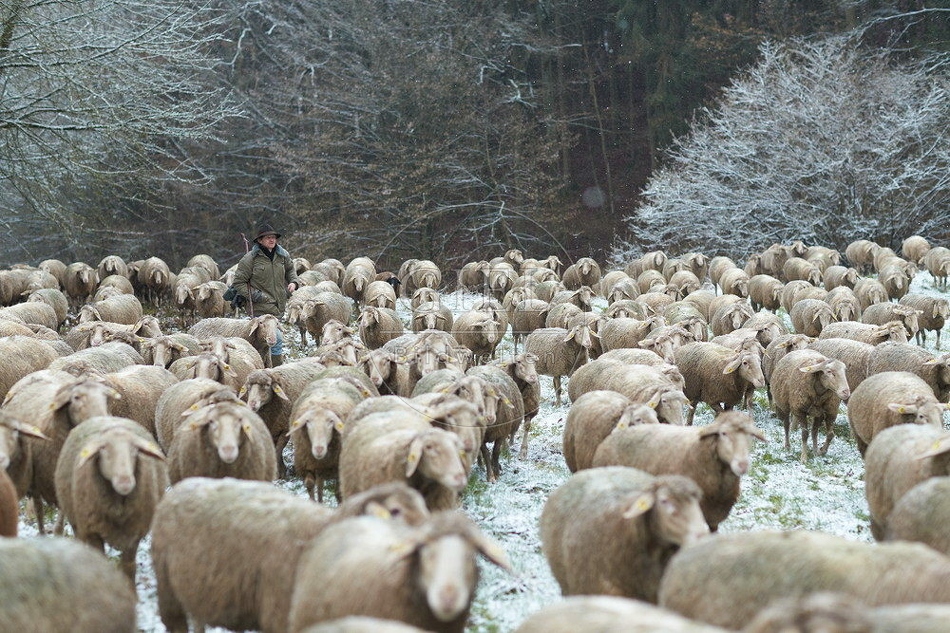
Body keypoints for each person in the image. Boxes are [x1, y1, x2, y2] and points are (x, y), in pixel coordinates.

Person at [232, 222, 300, 366]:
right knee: (276, 339)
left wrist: (293, 282)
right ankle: (276, 369)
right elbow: (238, 283)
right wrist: (256, 295)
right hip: (259, 308)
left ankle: (266, 366)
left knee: (268, 343)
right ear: (260, 241)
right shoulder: (250, 259)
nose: (271, 240)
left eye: (273, 237)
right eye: (267, 237)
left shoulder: (283, 255)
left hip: (278, 306)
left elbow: (290, 270)